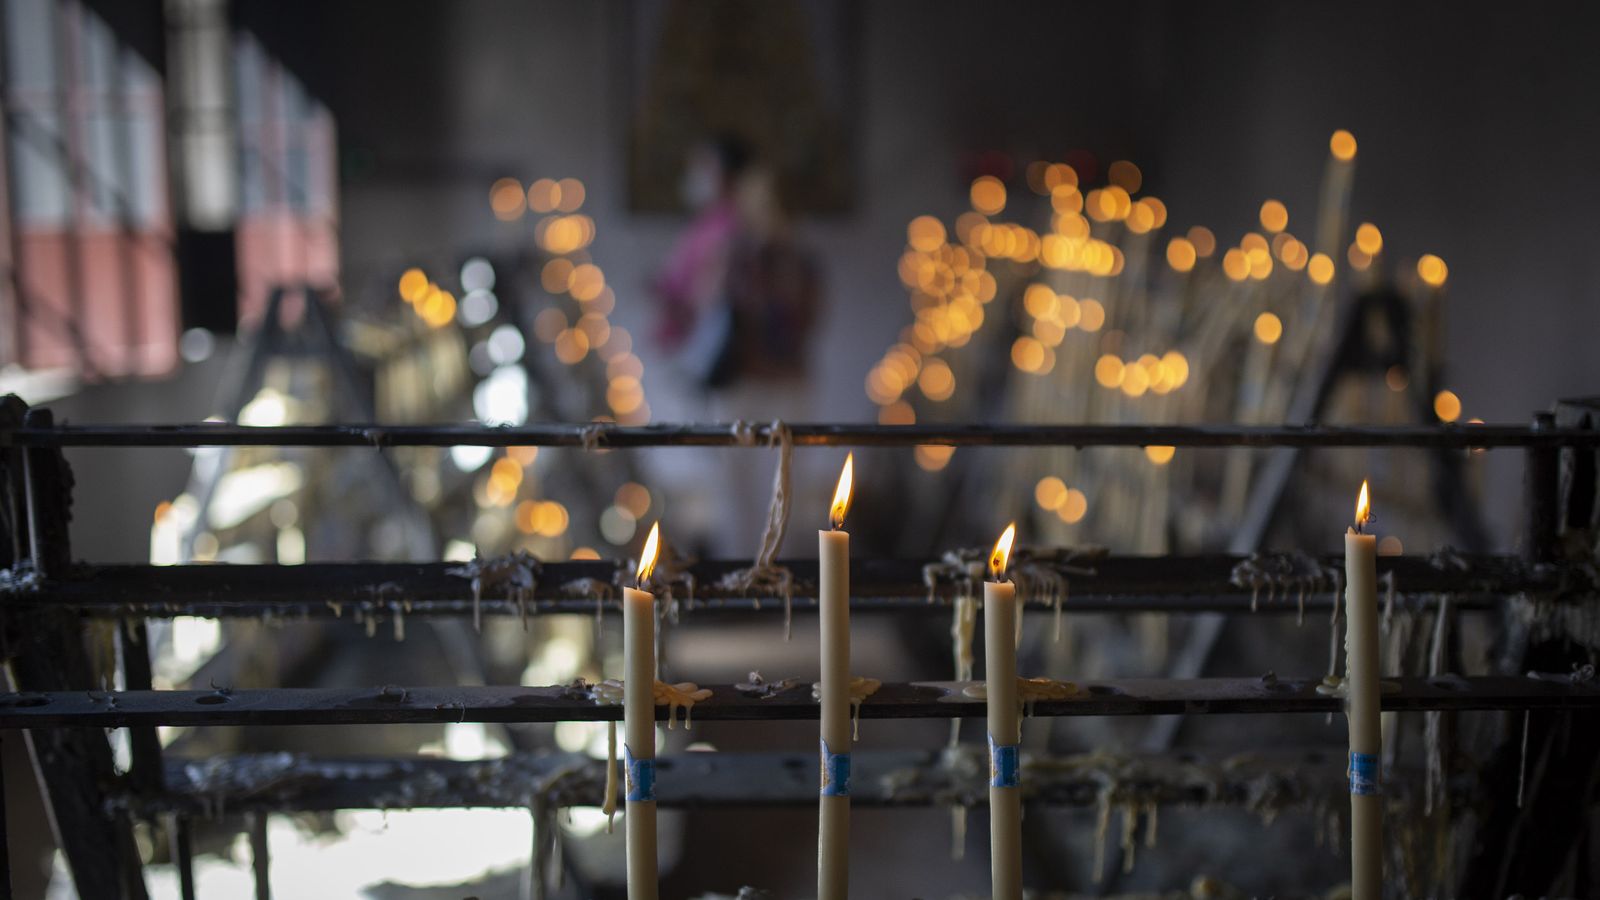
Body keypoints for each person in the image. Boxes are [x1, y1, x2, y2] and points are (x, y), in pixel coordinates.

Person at [649, 135, 823, 558]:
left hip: (776, 382)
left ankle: (770, 569)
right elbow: (703, 305)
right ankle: (745, 572)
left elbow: (806, 315)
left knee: (777, 485)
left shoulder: (788, 257)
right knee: (738, 487)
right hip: (743, 383)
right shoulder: (732, 249)